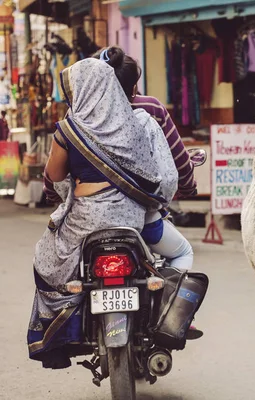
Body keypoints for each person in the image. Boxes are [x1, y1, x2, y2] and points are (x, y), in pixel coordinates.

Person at [27, 57, 179, 368]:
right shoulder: (137, 123)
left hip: (87, 222)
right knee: (172, 255)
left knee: (45, 262)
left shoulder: (70, 130)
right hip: (132, 218)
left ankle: (61, 334)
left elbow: (54, 176)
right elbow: (158, 174)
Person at [43, 46, 197, 271]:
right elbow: (169, 176)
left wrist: (60, 197)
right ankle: (167, 303)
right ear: (133, 87)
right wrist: (162, 199)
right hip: (140, 218)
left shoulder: (73, 122)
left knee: (55, 270)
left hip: (83, 221)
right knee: (183, 252)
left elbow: (55, 177)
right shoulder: (146, 117)